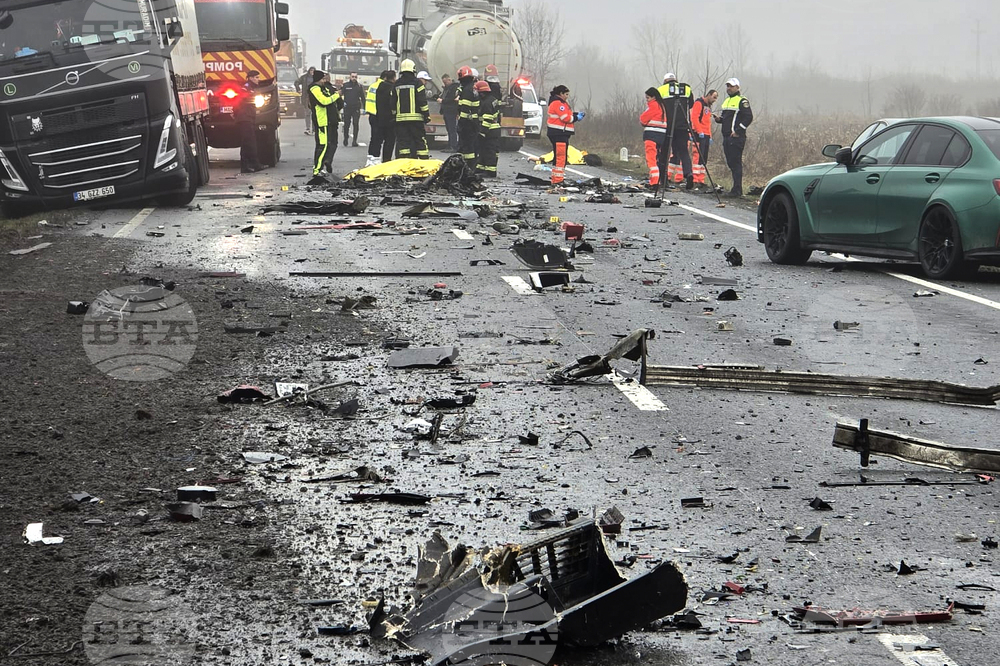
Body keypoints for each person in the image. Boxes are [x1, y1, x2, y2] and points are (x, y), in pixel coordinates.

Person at [714, 78, 753, 196]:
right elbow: (726, 119)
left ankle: (737, 190)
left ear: (737, 87)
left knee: (736, 163)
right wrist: (719, 120)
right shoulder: (726, 101)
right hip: (726, 137)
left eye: (731, 86)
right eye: (727, 86)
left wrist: (738, 130)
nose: (729, 88)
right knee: (731, 163)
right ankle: (735, 188)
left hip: (736, 138)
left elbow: (749, 117)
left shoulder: (742, 101)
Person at [657, 73, 694, 189]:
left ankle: (663, 180)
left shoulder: (661, 90)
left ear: (665, 81)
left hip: (667, 126)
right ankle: (688, 173)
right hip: (683, 126)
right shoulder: (686, 89)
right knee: (683, 151)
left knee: (664, 153)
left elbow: (658, 108)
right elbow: (691, 105)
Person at [546, 84, 583, 186]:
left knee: (559, 156)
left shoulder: (559, 103)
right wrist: (576, 118)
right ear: (561, 93)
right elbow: (565, 118)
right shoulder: (558, 103)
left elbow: (566, 115)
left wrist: (575, 115)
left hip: (559, 133)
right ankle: (558, 180)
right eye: (566, 94)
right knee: (561, 157)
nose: (567, 96)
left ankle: (556, 178)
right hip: (559, 133)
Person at [308, 70, 343, 177]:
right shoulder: (314, 88)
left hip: (330, 120)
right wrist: (337, 95)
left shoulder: (324, 88)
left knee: (328, 145)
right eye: (323, 79)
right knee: (322, 146)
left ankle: (321, 167)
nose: (324, 81)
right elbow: (324, 101)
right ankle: (317, 169)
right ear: (318, 79)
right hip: (322, 121)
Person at [395, 59, 431, 159]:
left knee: (403, 143)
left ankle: (404, 163)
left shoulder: (397, 84)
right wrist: (426, 115)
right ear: (413, 69)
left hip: (401, 120)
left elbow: (392, 101)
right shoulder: (418, 83)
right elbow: (422, 101)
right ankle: (424, 163)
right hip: (416, 120)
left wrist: (394, 115)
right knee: (420, 141)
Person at [640, 87, 668, 188]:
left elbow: (643, 119)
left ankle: (654, 182)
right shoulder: (662, 106)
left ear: (653, 97)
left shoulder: (654, 105)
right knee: (656, 158)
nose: (647, 100)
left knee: (651, 159)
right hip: (661, 136)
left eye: (648, 98)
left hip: (652, 135)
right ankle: (656, 180)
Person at [690, 89, 718, 187]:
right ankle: (695, 179)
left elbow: (707, 123)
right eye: (714, 97)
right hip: (699, 134)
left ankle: (701, 179)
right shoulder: (699, 103)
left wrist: (709, 135)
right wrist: (699, 131)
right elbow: (694, 118)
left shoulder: (708, 106)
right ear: (709, 95)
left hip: (706, 134)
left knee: (703, 158)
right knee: (697, 157)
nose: (715, 100)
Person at [236, 70, 262, 173]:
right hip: (245, 119)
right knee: (249, 143)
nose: (258, 79)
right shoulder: (246, 88)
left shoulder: (252, 88)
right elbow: (243, 98)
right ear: (250, 78)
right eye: (256, 77)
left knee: (246, 143)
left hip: (248, 118)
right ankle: (255, 165)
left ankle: (246, 166)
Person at [366, 70, 393, 166]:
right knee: (380, 139)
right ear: (386, 78)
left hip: (371, 114)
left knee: (374, 138)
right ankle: (376, 159)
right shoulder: (383, 86)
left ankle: (370, 158)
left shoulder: (373, 85)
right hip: (379, 115)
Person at [474, 80, 500, 178]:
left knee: (489, 151)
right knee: (484, 150)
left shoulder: (486, 103)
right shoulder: (493, 99)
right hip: (494, 130)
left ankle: (490, 171)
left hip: (489, 131)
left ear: (482, 93)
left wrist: (482, 132)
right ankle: (481, 168)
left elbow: (487, 118)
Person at [456, 66, 480, 167]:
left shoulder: (467, 90)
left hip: (467, 124)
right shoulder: (472, 88)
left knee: (467, 146)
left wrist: (461, 124)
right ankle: (468, 165)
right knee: (470, 145)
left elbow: (465, 109)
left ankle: (468, 166)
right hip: (473, 122)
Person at [375, 70, 398, 164]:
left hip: (380, 118)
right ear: (393, 78)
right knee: (390, 141)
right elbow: (392, 103)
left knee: (381, 141)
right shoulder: (392, 89)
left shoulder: (380, 87)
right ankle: (387, 160)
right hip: (390, 119)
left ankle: (382, 160)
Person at [340, 71, 364, 147]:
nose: (354, 78)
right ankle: (345, 138)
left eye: (355, 77)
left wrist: (364, 108)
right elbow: (340, 95)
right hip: (347, 108)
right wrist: (341, 105)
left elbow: (363, 98)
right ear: (350, 77)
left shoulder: (359, 86)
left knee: (356, 124)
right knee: (347, 124)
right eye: (352, 77)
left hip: (356, 108)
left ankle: (354, 141)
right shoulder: (345, 85)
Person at [437, 74, 460, 152]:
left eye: (445, 82)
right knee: (449, 130)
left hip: (451, 111)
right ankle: (450, 145)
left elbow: (452, 99)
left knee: (452, 130)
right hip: (446, 111)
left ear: (449, 80)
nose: (444, 84)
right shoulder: (447, 88)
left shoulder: (454, 88)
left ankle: (453, 146)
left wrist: (442, 101)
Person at [296, 66, 315, 134]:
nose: (312, 72)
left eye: (313, 71)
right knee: (307, 113)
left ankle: (314, 129)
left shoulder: (317, 78)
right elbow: (297, 82)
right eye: (311, 70)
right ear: (309, 71)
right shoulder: (304, 77)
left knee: (314, 114)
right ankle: (307, 128)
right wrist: (298, 89)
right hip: (306, 97)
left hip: (315, 98)